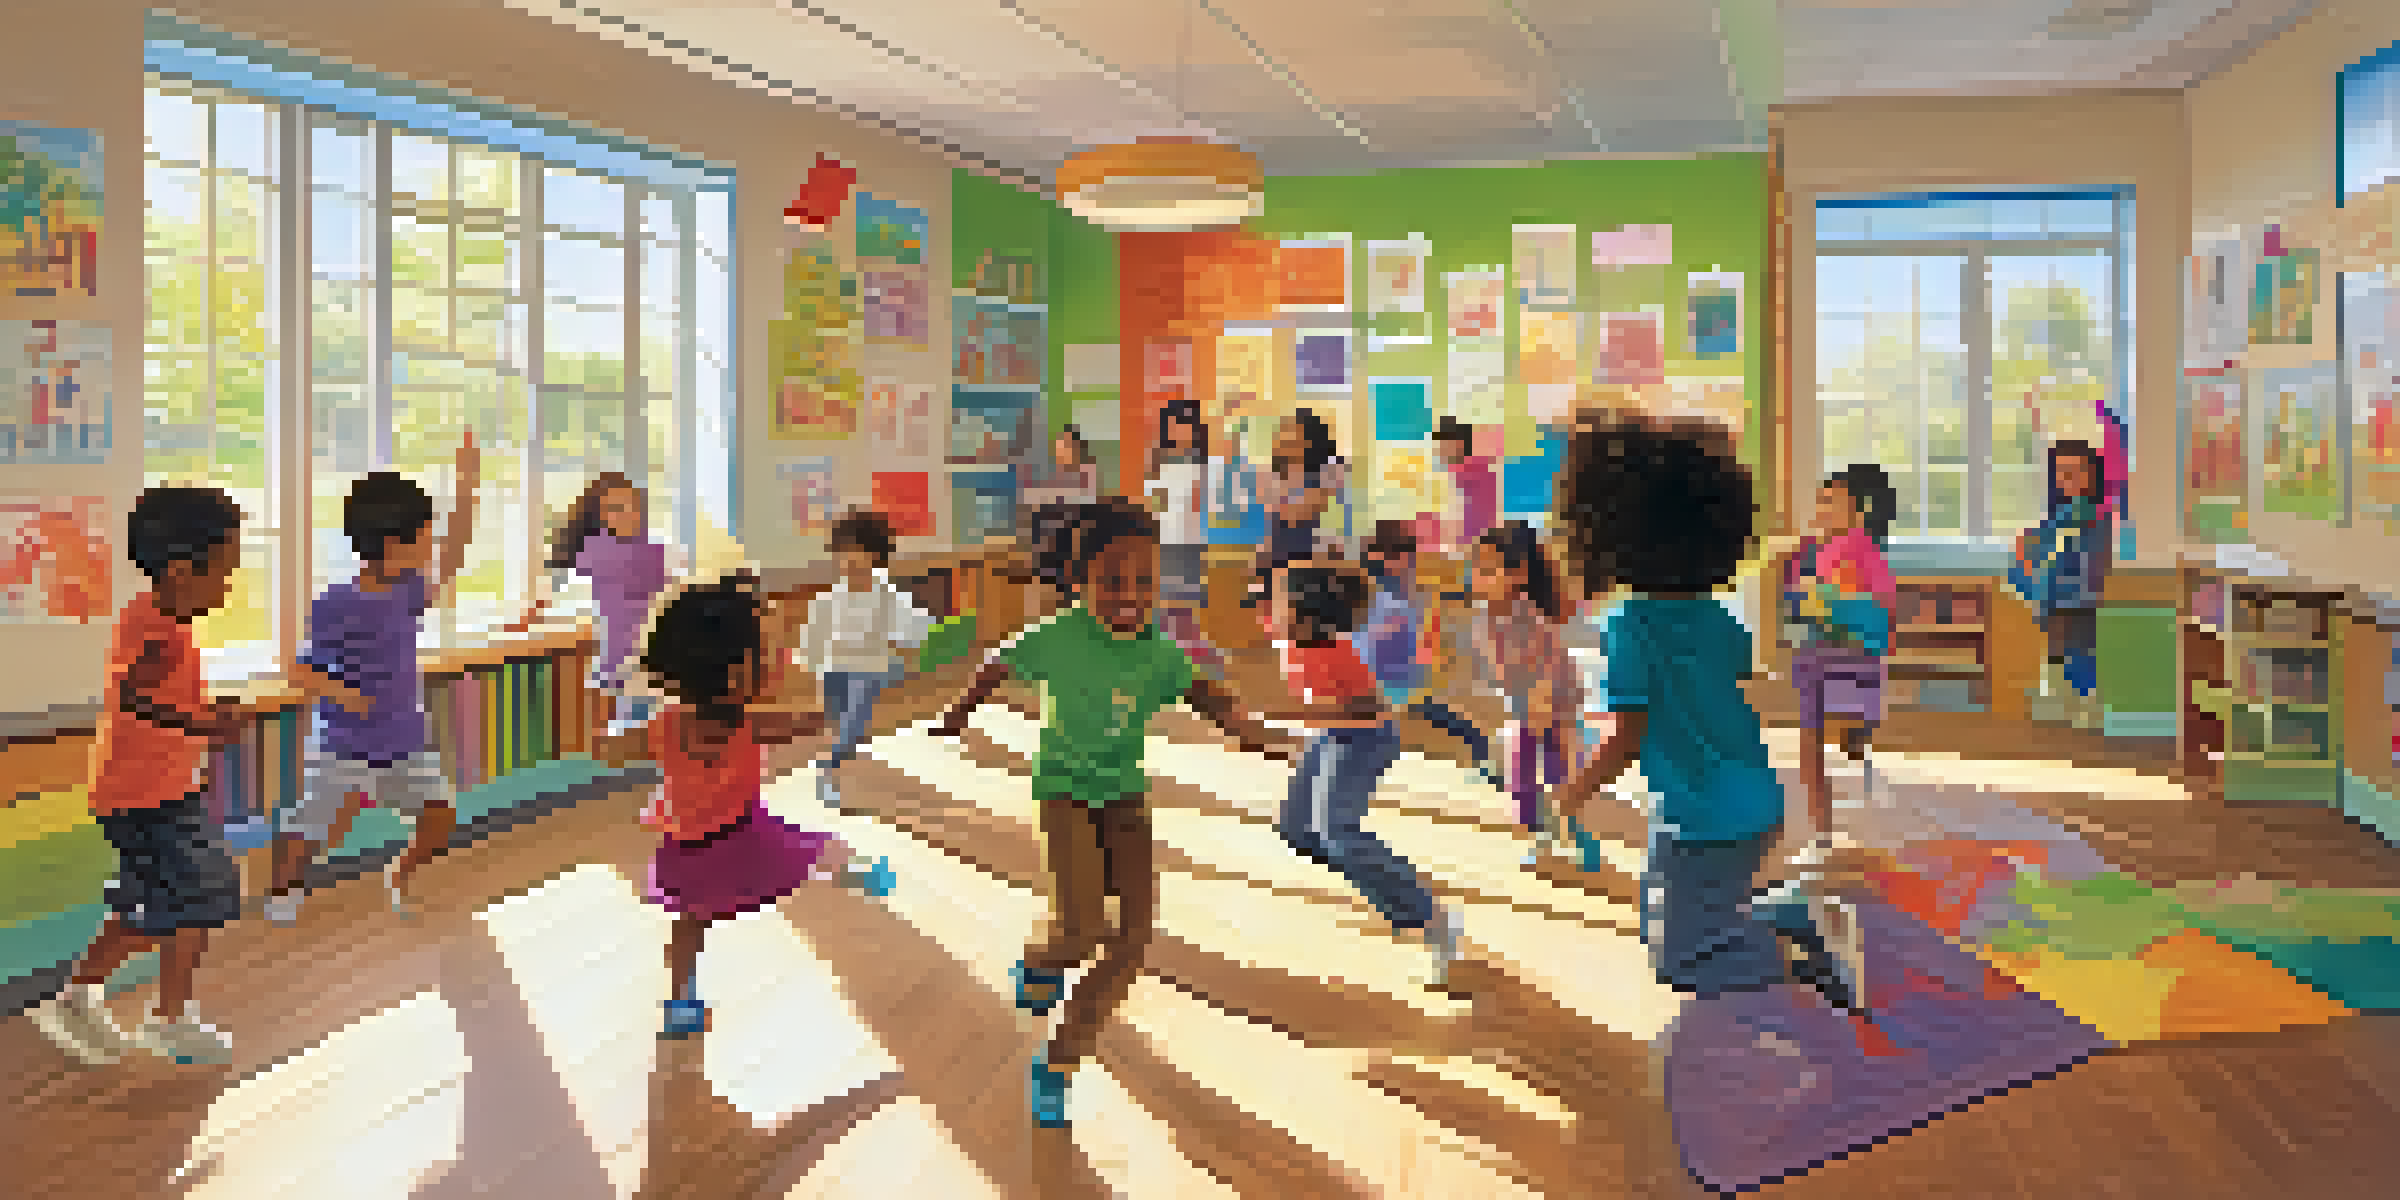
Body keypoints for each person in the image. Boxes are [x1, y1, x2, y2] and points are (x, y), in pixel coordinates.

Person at [928, 496, 1299, 1129]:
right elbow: (998, 663)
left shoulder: (1158, 650)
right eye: (1112, 581)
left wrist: (1256, 733)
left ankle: (1059, 1061)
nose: (1130, 595)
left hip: (1124, 797)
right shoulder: (1057, 636)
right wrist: (958, 713)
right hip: (1065, 793)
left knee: (1131, 938)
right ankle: (1042, 960)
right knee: (1079, 930)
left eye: (1144, 581)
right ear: (1079, 583)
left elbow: (1203, 694)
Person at [1546, 415, 1859, 1025]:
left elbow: (1627, 737)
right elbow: (1732, 679)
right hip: (1747, 805)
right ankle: (1789, 912)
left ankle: (1802, 964)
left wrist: (1574, 792)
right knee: (1673, 913)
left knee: (1680, 961)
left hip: (1704, 817)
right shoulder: (1719, 618)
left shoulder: (1629, 626)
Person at [595, 573, 890, 1039]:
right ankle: (858, 873)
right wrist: (835, 707)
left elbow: (608, 749)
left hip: (685, 850)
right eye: (769, 654)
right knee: (811, 849)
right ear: (736, 675)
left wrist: (616, 720)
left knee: (689, 927)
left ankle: (679, 1005)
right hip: (742, 836)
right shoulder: (751, 725)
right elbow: (808, 721)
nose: (779, 661)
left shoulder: (664, 726)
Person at [29, 487, 249, 1066]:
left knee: (169, 900)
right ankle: (106, 1006)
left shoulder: (169, 625)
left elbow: (156, 699)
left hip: (167, 791)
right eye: (223, 573)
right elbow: (133, 695)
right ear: (181, 570)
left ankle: (161, 1015)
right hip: (140, 799)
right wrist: (203, 721)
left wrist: (201, 724)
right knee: (190, 895)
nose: (227, 588)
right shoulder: (151, 627)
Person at [263, 434, 480, 925]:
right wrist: (345, 695)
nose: (433, 542)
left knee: (439, 818)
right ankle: (280, 891)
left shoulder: (409, 590)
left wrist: (466, 486)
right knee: (311, 831)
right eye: (425, 534)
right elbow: (298, 671)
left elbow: (457, 549)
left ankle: (399, 873)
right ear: (391, 544)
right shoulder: (337, 603)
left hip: (405, 743)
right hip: (343, 743)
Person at [1267, 559, 1465, 985]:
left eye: (1279, 603)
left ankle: (1433, 918)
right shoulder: (1290, 643)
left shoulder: (1336, 653)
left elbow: (1370, 708)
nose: (1269, 610)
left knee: (1335, 829)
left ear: (1306, 615)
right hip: (1332, 736)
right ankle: (1392, 901)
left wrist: (1296, 715)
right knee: (1297, 828)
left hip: (1365, 741)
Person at [1779, 464, 1899, 830]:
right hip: (1817, 653)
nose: (1823, 509)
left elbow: (1883, 609)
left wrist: (1832, 603)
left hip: (1852, 652)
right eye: (1822, 502)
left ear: (1857, 510)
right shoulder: (1811, 552)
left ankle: (1856, 731)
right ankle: (1821, 826)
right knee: (1810, 743)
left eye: (1833, 502)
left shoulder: (1865, 549)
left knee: (1837, 737)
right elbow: (1796, 604)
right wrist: (1807, 596)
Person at [1464, 521, 1589, 868]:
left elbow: (1548, 659)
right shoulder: (1487, 614)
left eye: (1488, 570)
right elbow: (1498, 666)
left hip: (1553, 698)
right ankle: (1544, 834)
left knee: (1555, 768)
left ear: (1517, 575)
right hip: (1525, 701)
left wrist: (1543, 701)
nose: (1478, 577)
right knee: (1522, 772)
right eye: (1475, 568)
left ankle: (1573, 839)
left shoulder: (1524, 612)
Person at [514, 472, 673, 736]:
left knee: (646, 730)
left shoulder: (653, 549)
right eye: (614, 508)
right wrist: (530, 616)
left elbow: (668, 595)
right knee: (624, 732)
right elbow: (556, 576)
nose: (626, 514)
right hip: (618, 657)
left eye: (631, 505)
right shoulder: (596, 549)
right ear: (601, 515)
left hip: (653, 654)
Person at [794, 509, 934, 808]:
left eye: (859, 552)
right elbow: (813, 641)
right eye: (844, 553)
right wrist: (811, 669)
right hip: (834, 672)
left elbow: (914, 631)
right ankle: (845, 768)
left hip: (871, 669)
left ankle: (829, 771)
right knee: (843, 723)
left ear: (876, 556)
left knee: (853, 716)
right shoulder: (828, 599)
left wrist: (914, 640)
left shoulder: (888, 596)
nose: (851, 560)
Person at [1354, 520, 1494, 782]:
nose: (1412, 561)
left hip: (1399, 689)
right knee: (1467, 733)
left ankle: (1487, 764)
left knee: (1468, 731)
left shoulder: (1394, 592)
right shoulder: (1384, 597)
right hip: (1392, 692)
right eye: (1406, 555)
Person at [2010, 440, 2112, 729]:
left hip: (2081, 598)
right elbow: (2042, 551)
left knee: (2081, 651)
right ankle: (2062, 703)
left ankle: (2083, 706)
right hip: (2056, 597)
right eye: (2062, 472)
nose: (2068, 479)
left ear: (2093, 474)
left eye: (2077, 471)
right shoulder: (2061, 516)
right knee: (2059, 651)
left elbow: (2082, 558)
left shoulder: (2093, 516)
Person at [1144, 404, 1227, 680]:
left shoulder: (1206, 466)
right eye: (1173, 425)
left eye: (1184, 425)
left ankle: (1208, 668)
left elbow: (1208, 507)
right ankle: (1177, 669)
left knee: (1181, 610)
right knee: (1162, 611)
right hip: (1161, 543)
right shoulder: (1158, 462)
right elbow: (1154, 504)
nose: (1179, 431)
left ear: (1195, 430)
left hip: (1187, 545)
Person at [1248, 408, 1341, 607]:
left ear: (1310, 443)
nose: (1281, 441)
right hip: (1276, 567)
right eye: (1281, 434)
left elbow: (1296, 514)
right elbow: (1269, 529)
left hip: (1308, 571)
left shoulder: (1322, 480)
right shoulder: (1278, 478)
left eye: (1290, 436)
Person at [1434, 416, 1499, 552]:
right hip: (1454, 543)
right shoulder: (1448, 472)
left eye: (1444, 443)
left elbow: (1481, 517)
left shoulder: (1476, 470)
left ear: (1460, 443)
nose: (1440, 450)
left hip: (1470, 545)